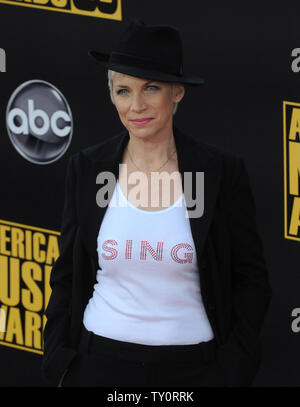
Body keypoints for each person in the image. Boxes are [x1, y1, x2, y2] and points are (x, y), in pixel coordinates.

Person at [41, 19, 272, 387]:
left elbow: (252, 281)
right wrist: (61, 366)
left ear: (177, 92)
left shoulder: (218, 173)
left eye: (151, 88)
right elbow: (66, 275)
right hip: (97, 363)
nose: (136, 106)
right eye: (123, 91)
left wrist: (231, 372)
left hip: (192, 369)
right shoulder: (88, 169)